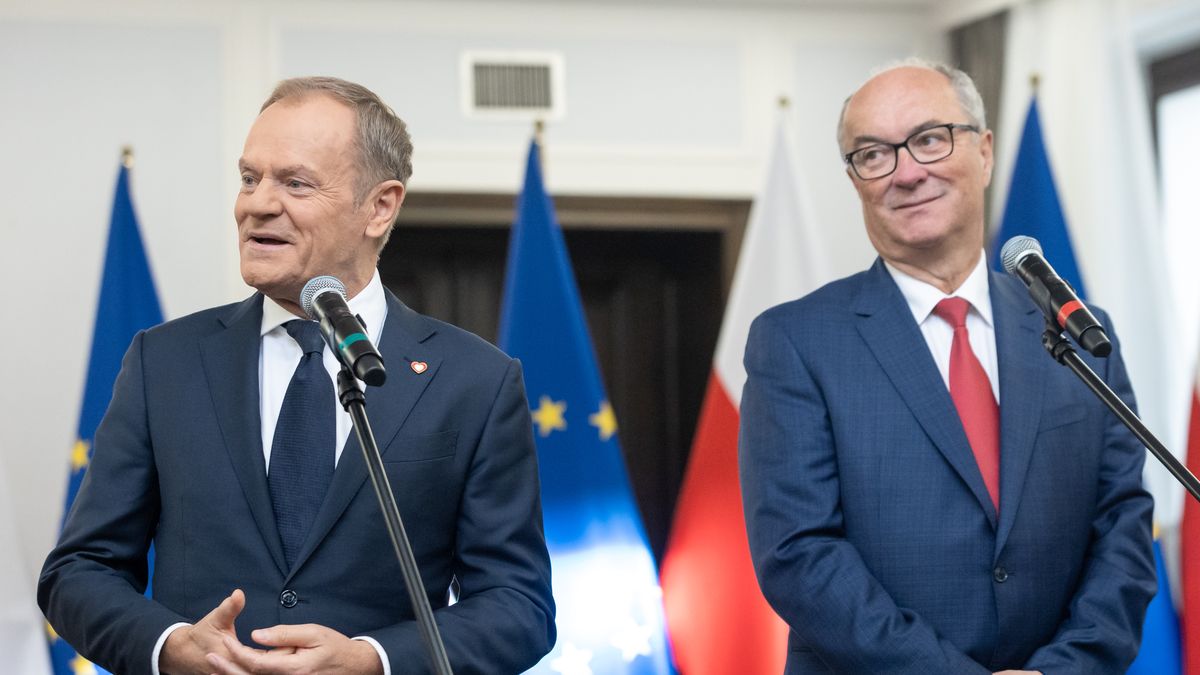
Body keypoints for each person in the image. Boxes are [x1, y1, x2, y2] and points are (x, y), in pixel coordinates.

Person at [39, 76, 555, 675]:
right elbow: (78, 571)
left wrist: (374, 659)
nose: (256, 203)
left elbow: (519, 605)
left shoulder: (475, 381)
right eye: (249, 178)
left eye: (295, 183)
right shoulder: (166, 361)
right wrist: (171, 645)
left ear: (380, 207)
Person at [738, 59, 1155, 674]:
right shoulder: (796, 342)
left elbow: (1122, 522)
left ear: (984, 153)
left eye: (930, 139)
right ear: (855, 180)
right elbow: (800, 556)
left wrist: (1063, 669)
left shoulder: (1076, 332)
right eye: (873, 154)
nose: (907, 172)